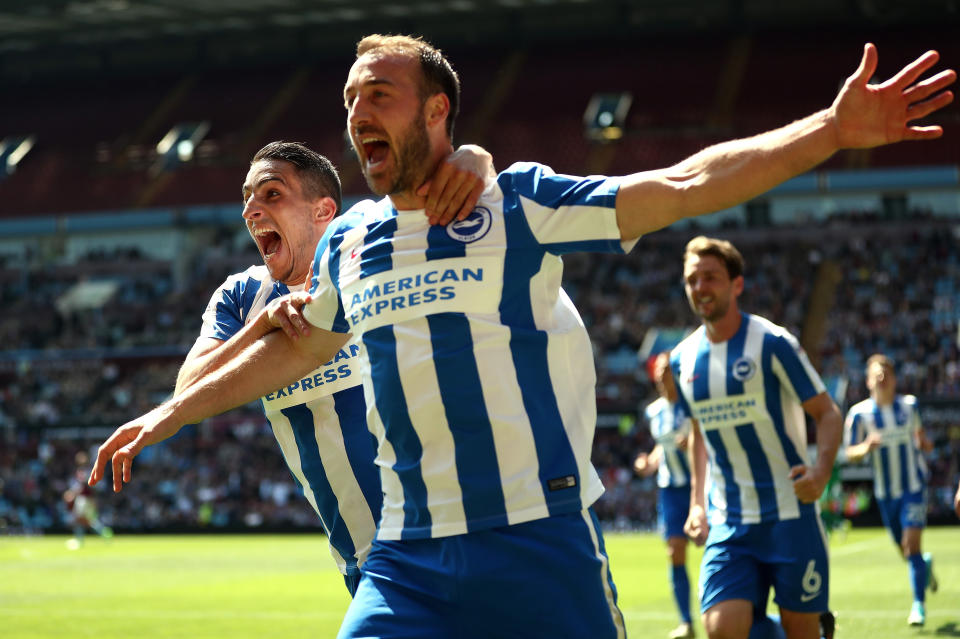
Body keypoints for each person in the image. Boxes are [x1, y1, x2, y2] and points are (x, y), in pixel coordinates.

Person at [88, 35, 955, 639]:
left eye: (377, 94)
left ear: (437, 112)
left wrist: (833, 131)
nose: (356, 111)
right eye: (349, 98)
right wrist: (165, 417)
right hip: (407, 557)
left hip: (537, 540)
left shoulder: (519, 204)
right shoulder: (350, 242)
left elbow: (683, 182)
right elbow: (292, 351)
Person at [122, 140, 490, 594]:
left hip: (448, 532)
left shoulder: (373, 256)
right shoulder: (242, 298)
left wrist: (474, 156)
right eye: (246, 198)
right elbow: (189, 391)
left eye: (271, 194)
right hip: (363, 559)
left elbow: (436, 199)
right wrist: (259, 326)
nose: (250, 210)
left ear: (323, 211)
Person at [672, 236, 843, 639]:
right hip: (730, 520)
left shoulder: (772, 344)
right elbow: (699, 430)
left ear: (737, 284)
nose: (700, 288)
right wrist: (698, 503)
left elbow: (827, 412)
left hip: (791, 514)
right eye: (692, 280)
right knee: (721, 628)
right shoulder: (682, 359)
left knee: (800, 630)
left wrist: (820, 473)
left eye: (710, 277)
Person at [843, 354, 937, 626]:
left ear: (894, 379)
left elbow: (921, 439)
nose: (882, 378)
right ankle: (923, 565)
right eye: (876, 373)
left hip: (913, 486)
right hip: (885, 493)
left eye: (886, 373)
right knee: (905, 551)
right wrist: (865, 447)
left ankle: (918, 605)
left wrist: (926, 445)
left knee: (911, 545)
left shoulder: (910, 406)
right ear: (868, 380)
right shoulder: (859, 414)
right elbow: (849, 453)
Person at [633, 352, 695, 639]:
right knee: (675, 551)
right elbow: (663, 446)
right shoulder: (654, 411)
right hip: (670, 489)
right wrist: (649, 463)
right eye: (658, 370)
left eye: (667, 369)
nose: (661, 374)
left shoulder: (691, 405)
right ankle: (686, 622)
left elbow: (705, 440)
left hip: (698, 486)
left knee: (716, 546)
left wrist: (692, 446)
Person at [62, 451, 113, 549]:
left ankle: (81, 540)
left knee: (80, 520)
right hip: (87, 499)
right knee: (88, 521)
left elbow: (82, 486)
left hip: (83, 499)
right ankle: (103, 532)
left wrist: (72, 494)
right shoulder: (87, 470)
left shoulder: (83, 472)